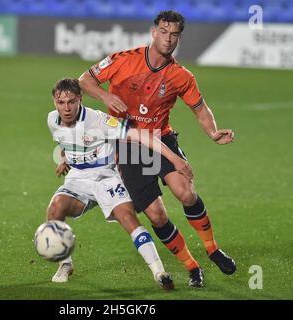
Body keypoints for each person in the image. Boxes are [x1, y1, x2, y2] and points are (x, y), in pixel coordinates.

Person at [79, 10, 237, 287]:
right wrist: (106, 95)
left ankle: (212, 249)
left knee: (186, 192)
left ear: (179, 38)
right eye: (163, 32)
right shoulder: (122, 60)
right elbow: (84, 80)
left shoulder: (181, 76)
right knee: (157, 214)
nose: (168, 38)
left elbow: (200, 109)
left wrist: (213, 132)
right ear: (154, 32)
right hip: (128, 144)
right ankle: (192, 266)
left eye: (174, 34)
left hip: (161, 139)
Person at [45, 78, 195, 289]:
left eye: (71, 101)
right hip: (79, 178)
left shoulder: (99, 121)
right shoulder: (52, 120)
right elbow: (66, 140)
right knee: (55, 209)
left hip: (107, 177)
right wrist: (64, 159)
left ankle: (159, 273)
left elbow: (142, 136)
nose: (66, 108)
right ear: (54, 102)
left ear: (80, 99)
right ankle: (65, 264)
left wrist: (175, 159)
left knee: (127, 218)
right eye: (61, 103)